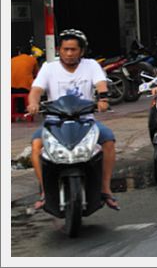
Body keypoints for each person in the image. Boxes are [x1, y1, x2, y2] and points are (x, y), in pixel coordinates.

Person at [27, 29, 120, 211]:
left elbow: (101, 83)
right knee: (37, 145)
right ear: (59, 50)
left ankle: (105, 189)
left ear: (82, 51)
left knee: (108, 140)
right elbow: (36, 90)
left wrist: (103, 99)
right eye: (65, 49)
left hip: (86, 121)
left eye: (73, 49)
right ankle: (45, 192)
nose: (69, 53)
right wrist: (33, 104)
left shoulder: (91, 65)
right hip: (54, 122)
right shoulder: (48, 67)